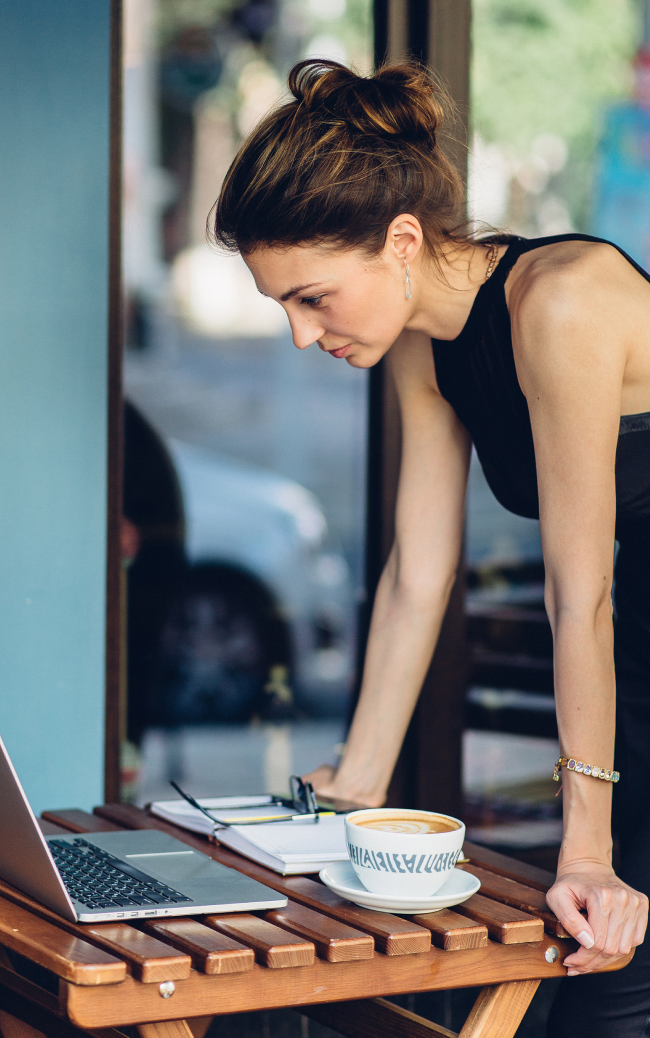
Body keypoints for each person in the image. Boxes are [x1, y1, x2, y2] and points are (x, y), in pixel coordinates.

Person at [213, 58, 650, 1037]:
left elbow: (579, 598)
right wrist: (358, 776)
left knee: (608, 985)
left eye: (313, 297)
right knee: (595, 984)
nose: (297, 333)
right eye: (284, 303)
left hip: (626, 628)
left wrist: (586, 847)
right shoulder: (421, 333)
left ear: (401, 241)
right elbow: (419, 570)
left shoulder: (563, 303)